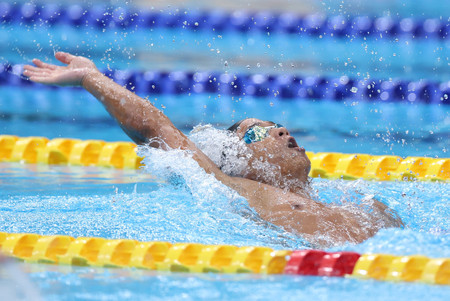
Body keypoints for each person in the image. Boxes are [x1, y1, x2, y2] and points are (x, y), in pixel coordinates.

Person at [23, 52, 403, 247]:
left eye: (277, 126)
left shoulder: (364, 205)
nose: (281, 130)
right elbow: (156, 128)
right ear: (240, 163)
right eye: (258, 135)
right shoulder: (239, 188)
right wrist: (91, 77)